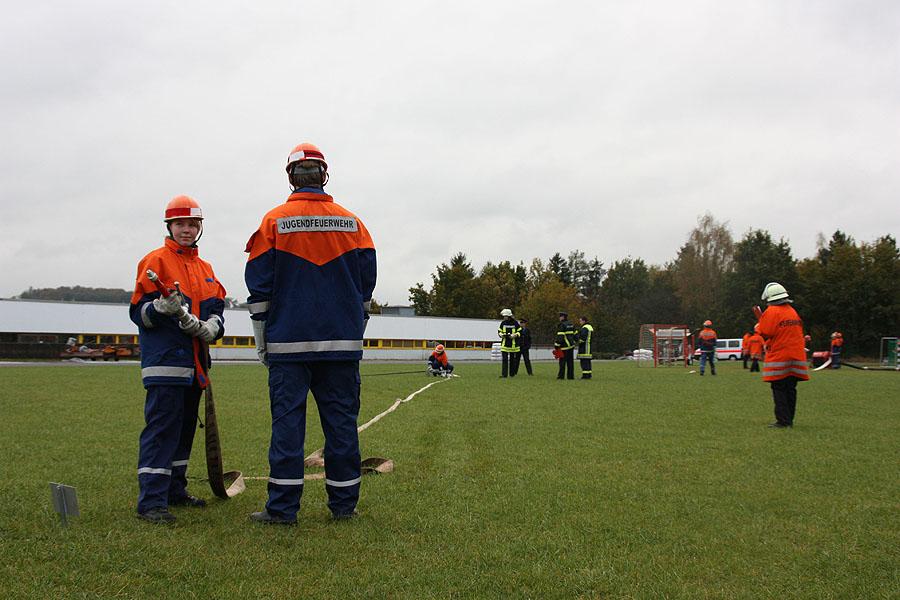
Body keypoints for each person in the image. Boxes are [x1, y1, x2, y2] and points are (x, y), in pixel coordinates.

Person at [245, 142, 376, 524]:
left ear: (290, 176)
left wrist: (261, 340)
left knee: (287, 427)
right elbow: (366, 286)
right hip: (342, 346)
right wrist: (354, 328)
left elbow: (259, 286)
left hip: (288, 345)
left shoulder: (273, 222)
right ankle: (344, 507)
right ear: (324, 175)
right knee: (341, 426)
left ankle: (283, 509)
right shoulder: (353, 223)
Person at [129, 195, 226, 524]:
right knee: (162, 431)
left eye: (192, 224)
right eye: (181, 224)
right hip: (166, 365)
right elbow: (137, 313)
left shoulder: (206, 269)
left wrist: (214, 326)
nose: (187, 229)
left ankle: (175, 489)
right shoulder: (155, 262)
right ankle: (152, 501)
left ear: (200, 228)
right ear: (169, 226)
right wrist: (158, 308)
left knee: (185, 431)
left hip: (196, 367)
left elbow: (216, 310)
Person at [756, 282, 808, 428]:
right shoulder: (792, 311)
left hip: (780, 356)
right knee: (791, 388)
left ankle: (783, 421)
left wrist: (758, 326)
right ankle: (789, 419)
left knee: (778, 388)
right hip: (796, 356)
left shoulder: (772, 311)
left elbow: (766, 332)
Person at [498, 308, 522, 377]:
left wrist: (515, 335)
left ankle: (512, 374)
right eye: (504, 316)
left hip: (513, 345)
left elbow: (520, 331)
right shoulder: (503, 323)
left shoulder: (515, 323)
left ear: (509, 316)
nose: (504, 317)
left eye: (505, 316)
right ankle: (504, 375)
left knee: (512, 360)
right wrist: (501, 335)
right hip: (505, 344)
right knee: (504, 360)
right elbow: (499, 331)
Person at [555, 311, 576, 380]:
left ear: (563, 317)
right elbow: (575, 334)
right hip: (571, 346)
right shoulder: (571, 324)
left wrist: (557, 345)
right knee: (570, 363)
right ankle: (570, 376)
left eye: (560, 316)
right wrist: (574, 342)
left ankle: (561, 376)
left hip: (564, 347)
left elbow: (560, 336)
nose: (559, 318)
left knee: (562, 362)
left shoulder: (562, 325)